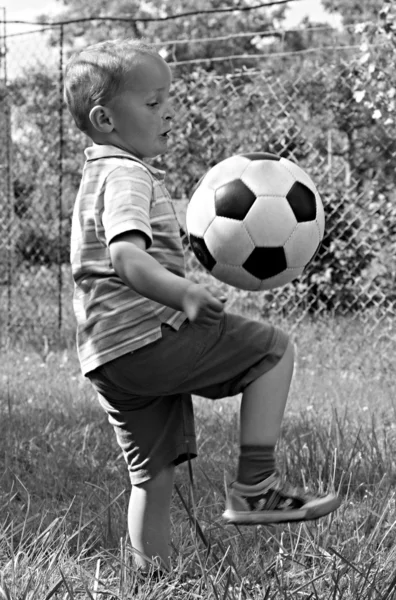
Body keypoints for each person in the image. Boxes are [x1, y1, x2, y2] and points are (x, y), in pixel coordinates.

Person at [64, 38, 340, 573]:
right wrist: (183, 292)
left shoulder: (96, 174)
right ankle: (255, 486)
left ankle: (152, 577)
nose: (168, 110)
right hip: (145, 337)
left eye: (169, 98)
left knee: (153, 473)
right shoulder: (126, 174)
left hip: (107, 356)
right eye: (152, 103)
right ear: (105, 119)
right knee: (274, 352)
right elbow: (124, 256)